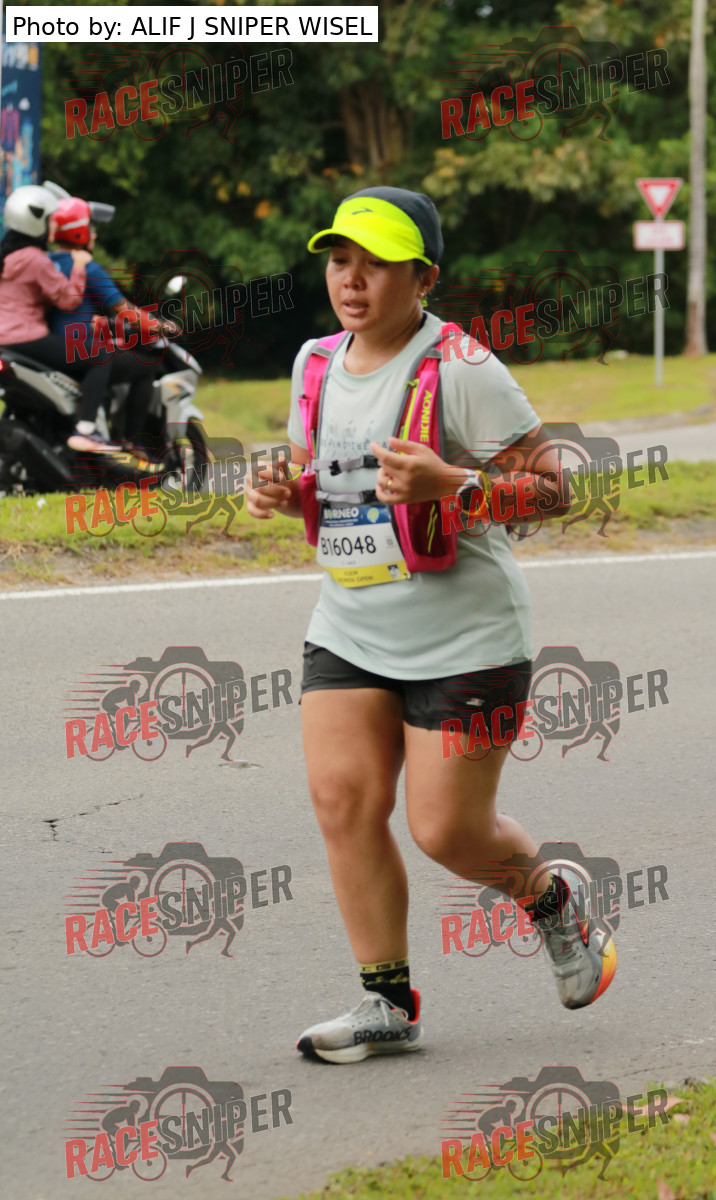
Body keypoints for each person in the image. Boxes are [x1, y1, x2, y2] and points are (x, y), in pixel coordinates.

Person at [245, 186, 617, 1065]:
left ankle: (553, 904)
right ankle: (387, 1003)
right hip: (351, 622)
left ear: (424, 279)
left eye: (376, 264)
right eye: (340, 260)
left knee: (446, 830)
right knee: (342, 800)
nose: (352, 279)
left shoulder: (463, 367)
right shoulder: (313, 363)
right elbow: (317, 479)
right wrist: (278, 488)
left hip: (468, 639)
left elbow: (557, 490)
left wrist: (452, 484)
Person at [0, 184, 120, 453]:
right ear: (35, 223)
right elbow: (68, 299)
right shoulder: (36, 260)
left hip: (4, 342)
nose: (54, 226)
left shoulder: (6, 257)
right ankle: (86, 429)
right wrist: (79, 265)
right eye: (50, 221)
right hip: (28, 339)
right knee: (100, 355)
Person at [48, 196, 168, 457]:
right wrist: (162, 327)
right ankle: (133, 442)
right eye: (91, 228)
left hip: (50, 348)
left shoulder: (45, 263)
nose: (94, 234)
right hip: (79, 350)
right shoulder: (89, 268)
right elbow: (127, 312)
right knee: (145, 368)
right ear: (79, 232)